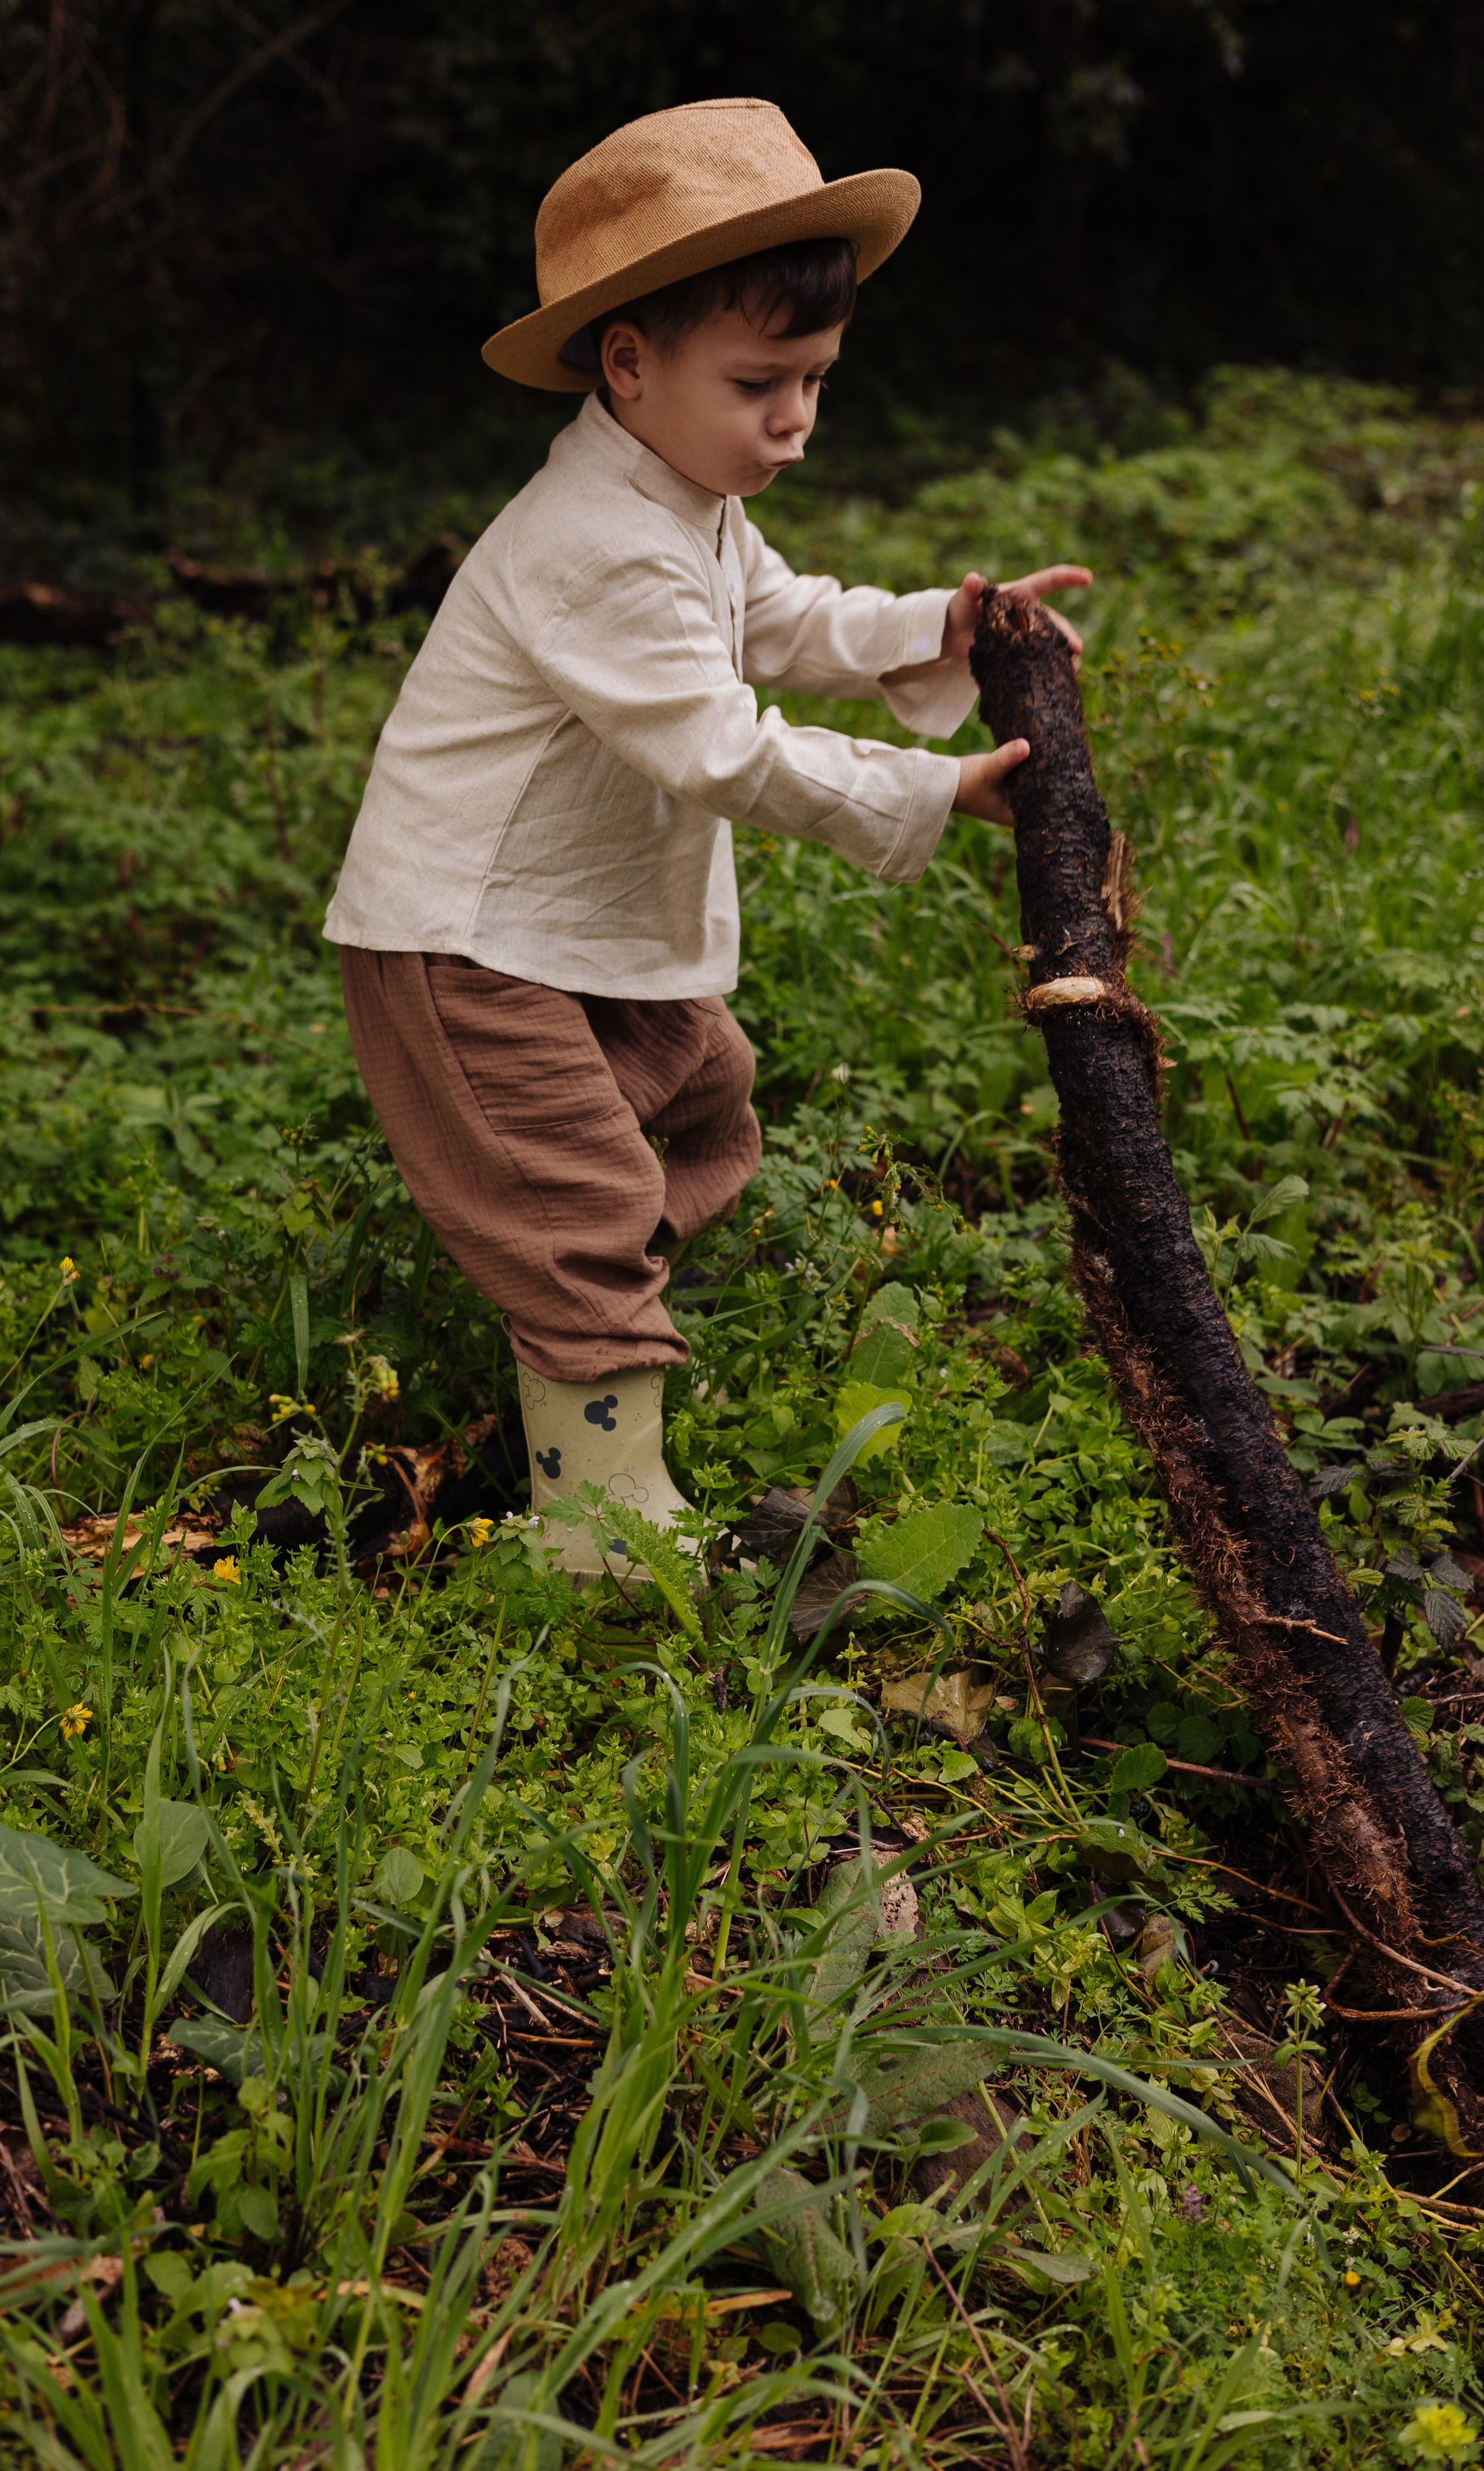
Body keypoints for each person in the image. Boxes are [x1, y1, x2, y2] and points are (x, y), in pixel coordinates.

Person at [325, 97, 1090, 1577]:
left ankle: (572, 1364)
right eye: (760, 384)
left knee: (702, 1091)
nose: (794, 420)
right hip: (465, 936)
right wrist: (930, 789)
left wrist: (930, 624)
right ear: (627, 361)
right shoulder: (594, 542)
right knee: (579, 1203)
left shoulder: (682, 497)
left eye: (814, 381)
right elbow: (718, 744)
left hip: (571, 926)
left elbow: (777, 619)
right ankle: (600, 1532)